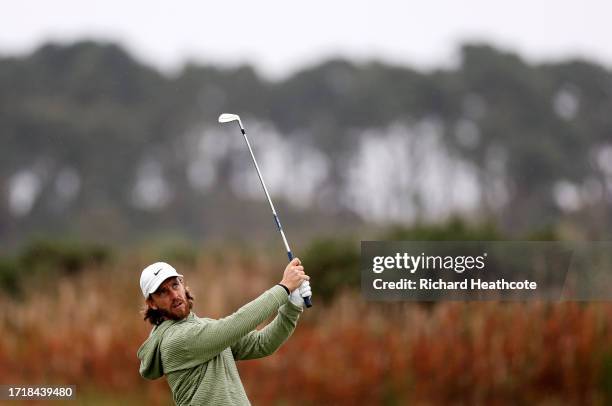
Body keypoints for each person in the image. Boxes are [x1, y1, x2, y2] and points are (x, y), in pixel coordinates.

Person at [137, 258, 311, 405]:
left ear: (182, 285)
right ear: (151, 303)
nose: (174, 295)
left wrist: (292, 305)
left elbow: (262, 344)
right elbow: (237, 324)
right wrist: (284, 287)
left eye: (175, 285)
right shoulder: (175, 341)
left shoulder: (202, 328)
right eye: (162, 292)